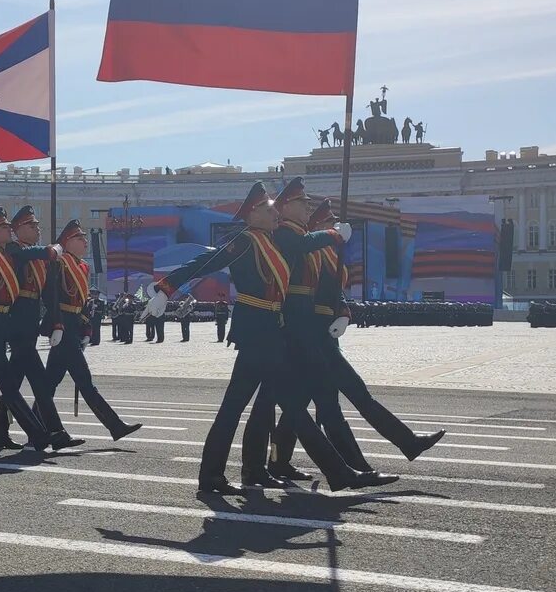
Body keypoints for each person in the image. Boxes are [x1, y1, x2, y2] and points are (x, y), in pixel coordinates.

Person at [149, 184, 378, 496]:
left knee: (245, 406)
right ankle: (337, 473)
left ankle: (241, 471)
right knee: (286, 406)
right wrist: (166, 288)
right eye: (269, 209)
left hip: (269, 330)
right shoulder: (245, 240)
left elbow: (301, 250)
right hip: (257, 331)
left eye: (275, 208)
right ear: (252, 214)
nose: (275, 213)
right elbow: (206, 262)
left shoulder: (270, 242)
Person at [265, 186, 445, 479]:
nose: (334, 225)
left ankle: (285, 462)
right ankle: (358, 465)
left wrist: (345, 313)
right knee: (324, 404)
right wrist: (334, 238)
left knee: (319, 402)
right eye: (329, 222)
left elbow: (336, 294)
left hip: (323, 335)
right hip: (310, 334)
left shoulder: (322, 253)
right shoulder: (304, 247)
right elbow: (313, 292)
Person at [0, 208, 73, 455]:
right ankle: (41, 434)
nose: (9, 229)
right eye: (5, 226)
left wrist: (56, 322)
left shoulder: (8, 255)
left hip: (3, 323)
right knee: (10, 383)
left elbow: (45, 286)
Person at [0, 206, 82, 454]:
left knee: (13, 384)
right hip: (15, 322)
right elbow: (28, 256)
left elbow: (50, 294)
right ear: (17, 230)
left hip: (29, 323)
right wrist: (51, 251)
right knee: (38, 381)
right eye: (32, 226)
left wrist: (56, 322)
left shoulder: (41, 257)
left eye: (38, 225)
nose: (37, 229)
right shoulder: (14, 249)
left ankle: (0, 434)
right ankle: (54, 432)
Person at [45, 219, 142, 441]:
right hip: (64, 327)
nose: (85, 241)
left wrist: (87, 328)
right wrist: (57, 325)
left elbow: (83, 302)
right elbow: (53, 297)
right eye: (80, 238)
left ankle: (36, 427)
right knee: (85, 382)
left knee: (48, 383)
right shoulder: (60, 264)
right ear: (68, 242)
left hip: (73, 326)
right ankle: (115, 426)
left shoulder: (82, 266)